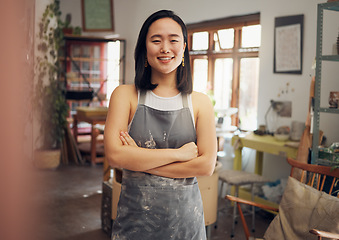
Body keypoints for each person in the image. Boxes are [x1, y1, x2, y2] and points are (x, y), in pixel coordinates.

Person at [104, 9, 217, 240]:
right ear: (145, 49)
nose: (165, 48)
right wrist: (179, 154)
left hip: (186, 224)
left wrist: (137, 158)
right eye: (156, 40)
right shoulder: (125, 95)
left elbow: (206, 166)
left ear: (184, 48)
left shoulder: (200, 102)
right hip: (135, 224)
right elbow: (115, 156)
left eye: (173, 40)